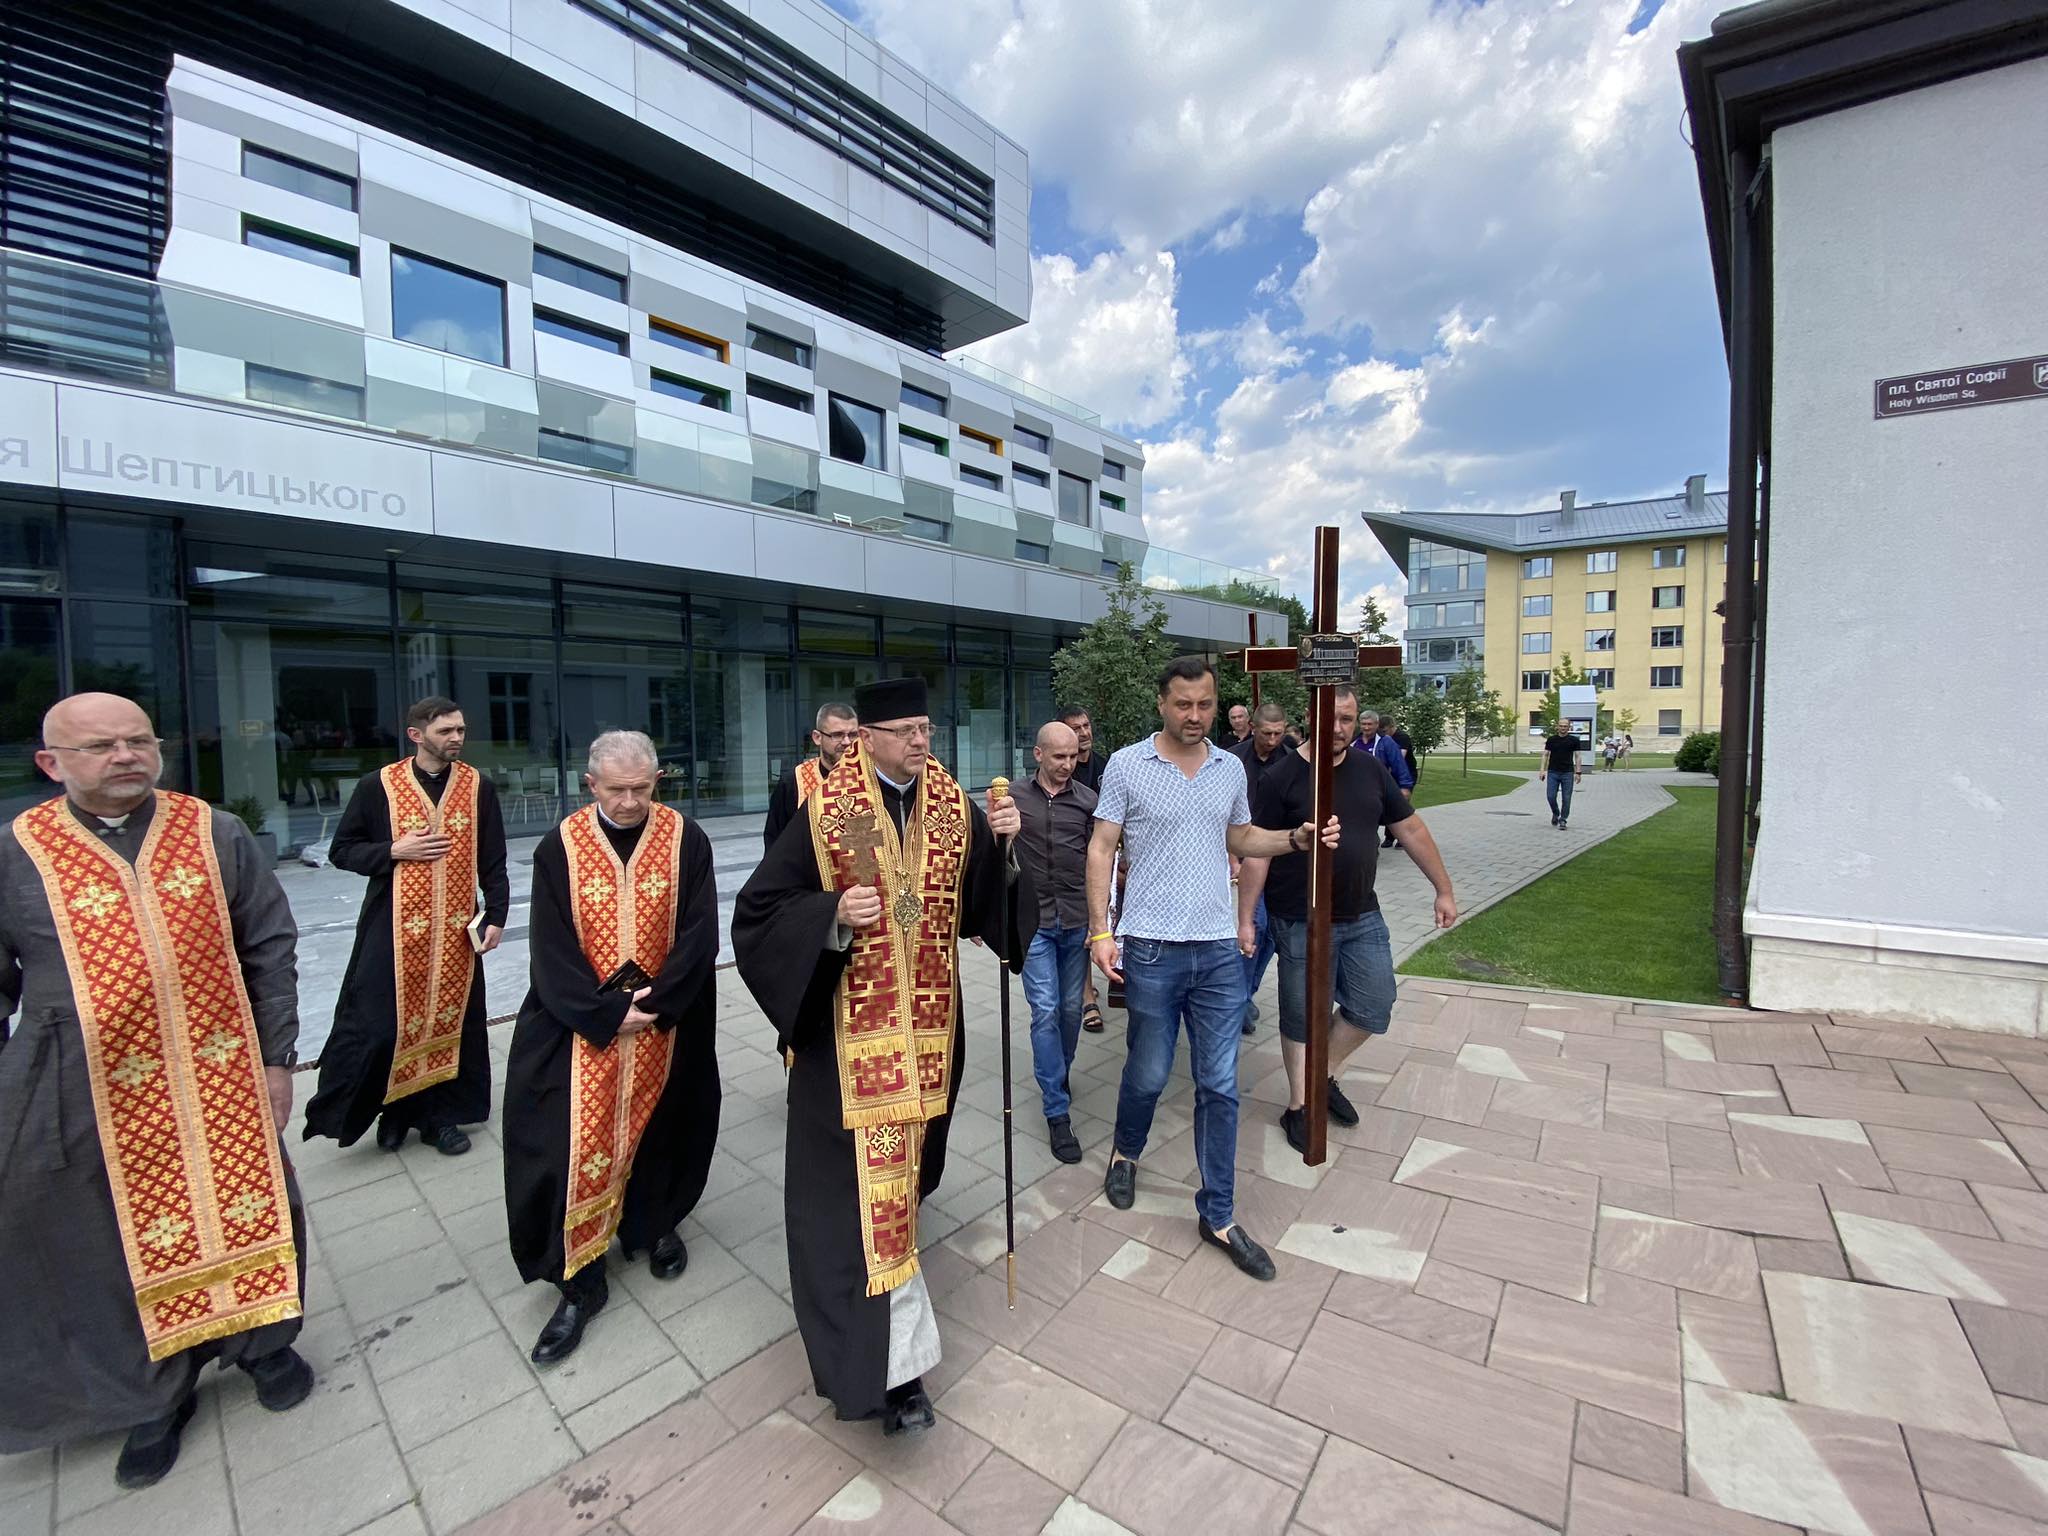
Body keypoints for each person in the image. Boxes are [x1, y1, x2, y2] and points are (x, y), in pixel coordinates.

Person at [1, 695, 313, 1488]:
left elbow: (269, 943)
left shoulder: (213, 832)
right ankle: (148, 1393)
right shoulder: (17, 853)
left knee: (247, 1201)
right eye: (101, 746)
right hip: (81, 1081)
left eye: (139, 740)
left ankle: (261, 1344)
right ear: (52, 764)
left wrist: (278, 1056)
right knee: (98, 1237)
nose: (126, 756)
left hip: (217, 1068)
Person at [733, 677, 1031, 1435]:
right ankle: (887, 1375)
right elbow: (759, 913)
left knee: (899, 1195)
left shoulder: (952, 806)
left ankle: (892, 1358)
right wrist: (830, 914)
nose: (921, 741)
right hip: (845, 1049)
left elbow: (986, 907)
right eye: (904, 730)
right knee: (862, 1213)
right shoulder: (827, 812)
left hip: (930, 1040)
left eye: (926, 727)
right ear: (865, 737)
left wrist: (1006, 846)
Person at [1087, 657, 1338, 1283]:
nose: (1195, 716)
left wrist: (1293, 841)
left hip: (1218, 951)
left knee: (1219, 1084)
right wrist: (1100, 931)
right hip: (1149, 947)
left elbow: (1242, 837)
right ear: (1162, 703)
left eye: (1204, 705)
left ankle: (1219, 1214)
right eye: (1182, 704)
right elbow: (1100, 847)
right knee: (1146, 1072)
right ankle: (1126, 1151)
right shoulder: (1127, 764)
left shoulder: (1230, 767)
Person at [501, 731, 721, 1364]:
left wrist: (654, 1005)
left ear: (657, 781)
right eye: (616, 789)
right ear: (591, 785)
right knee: (572, 1144)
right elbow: (550, 945)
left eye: (641, 788)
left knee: (665, 1125)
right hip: (580, 1027)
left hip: (667, 1019)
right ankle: (580, 1277)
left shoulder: (686, 838)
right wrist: (603, 1012)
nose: (629, 802)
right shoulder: (559, 848)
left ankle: (654, 1225)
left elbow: (700, 928)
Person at [1237, 687, 1458, 1153]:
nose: (1338, 728)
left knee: (1373, 1005)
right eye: (1330, 718)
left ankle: (1320, 1077)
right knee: (1301, 1014)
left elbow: (1410, 828)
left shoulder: (1370, 769)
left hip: (1362, 914)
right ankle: (1299, 1106)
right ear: (1310, 715)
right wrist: (1247, 918)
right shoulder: (1282, 777)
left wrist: (1443, 889)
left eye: (1348, 719)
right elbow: (1256, 850)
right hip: (1298, 917)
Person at [303, 696, 508, 1157]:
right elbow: (343, 850)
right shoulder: (379, 786)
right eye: (445, 731)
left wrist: (496, 915)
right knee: (383, 1025)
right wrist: (394, 850)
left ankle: (439, 1117)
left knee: (449, 1022)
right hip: (390, 930)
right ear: (416, 735)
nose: (456, 738)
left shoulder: (478, 787)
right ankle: (393, 1111)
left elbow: (493, 858)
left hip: (456, 932)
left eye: (459, 729)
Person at [1014, 721, 1096, 1164]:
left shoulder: (1088, 803)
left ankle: (1057, 1074)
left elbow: (1103, 863)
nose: (1067, 764)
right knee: (1045, 1009)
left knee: (1069, 1010)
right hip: (1035, 923)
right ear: (1038, 754)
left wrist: (1102, 923)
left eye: (1073, 756)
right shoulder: (1012, 798)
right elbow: (992, 855)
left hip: (1077, 920)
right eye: (1059, 756)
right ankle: (1057, 1112)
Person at [1229, 703, 1291, 1035]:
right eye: (1266, 733)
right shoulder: (1233, 759)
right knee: (1255, 924)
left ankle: (1244, 994)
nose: (1272, 739)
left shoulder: (1294, 759)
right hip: (1242, 857)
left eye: (1278, 733)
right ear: (1252, 727)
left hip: (1281, 858)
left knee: (1270, 936)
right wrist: (1231, 857)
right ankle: (1236, 1000)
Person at [1058, 706, 1108, 1032]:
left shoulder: (1107, 766)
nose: (1083, 732)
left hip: (1105, 860)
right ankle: (1087, 995)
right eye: (1075, 728)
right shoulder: (1062, 769)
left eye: (1086, 725)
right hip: (1072, 864)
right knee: (1082, 929)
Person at [765, 702, 859, 852]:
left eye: (853, 735)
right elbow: (775, 846)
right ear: (817, 737)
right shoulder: (793, 783)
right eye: (837, 735)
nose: (847, 742)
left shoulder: (869, 779)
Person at [1382, 712, 1419, 849]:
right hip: (1391, 777)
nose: (1384, 733)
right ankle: (1389, 837)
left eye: (1385, 731)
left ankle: (1403, 838)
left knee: (1401, 807)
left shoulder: (1402, 737)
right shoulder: (1383, 738)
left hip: (1406, 776)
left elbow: (1399, 758)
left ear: (1392, 727)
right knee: (1388, 806)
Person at [1544, 722, 1586, 829]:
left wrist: (1578, 772)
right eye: (1561, 726)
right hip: (1553, 772)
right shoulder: (1551, 739)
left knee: (1566, 798)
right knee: (1551, 796)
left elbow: (1577, 756)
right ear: (1557, 727)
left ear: (1568, 727)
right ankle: (1556, 813)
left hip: (1567, 772)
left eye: (1565, 726)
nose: (1563, 728)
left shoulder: (1574, 740)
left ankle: (1563, 820)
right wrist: (1542, 770)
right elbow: (1545, 755)